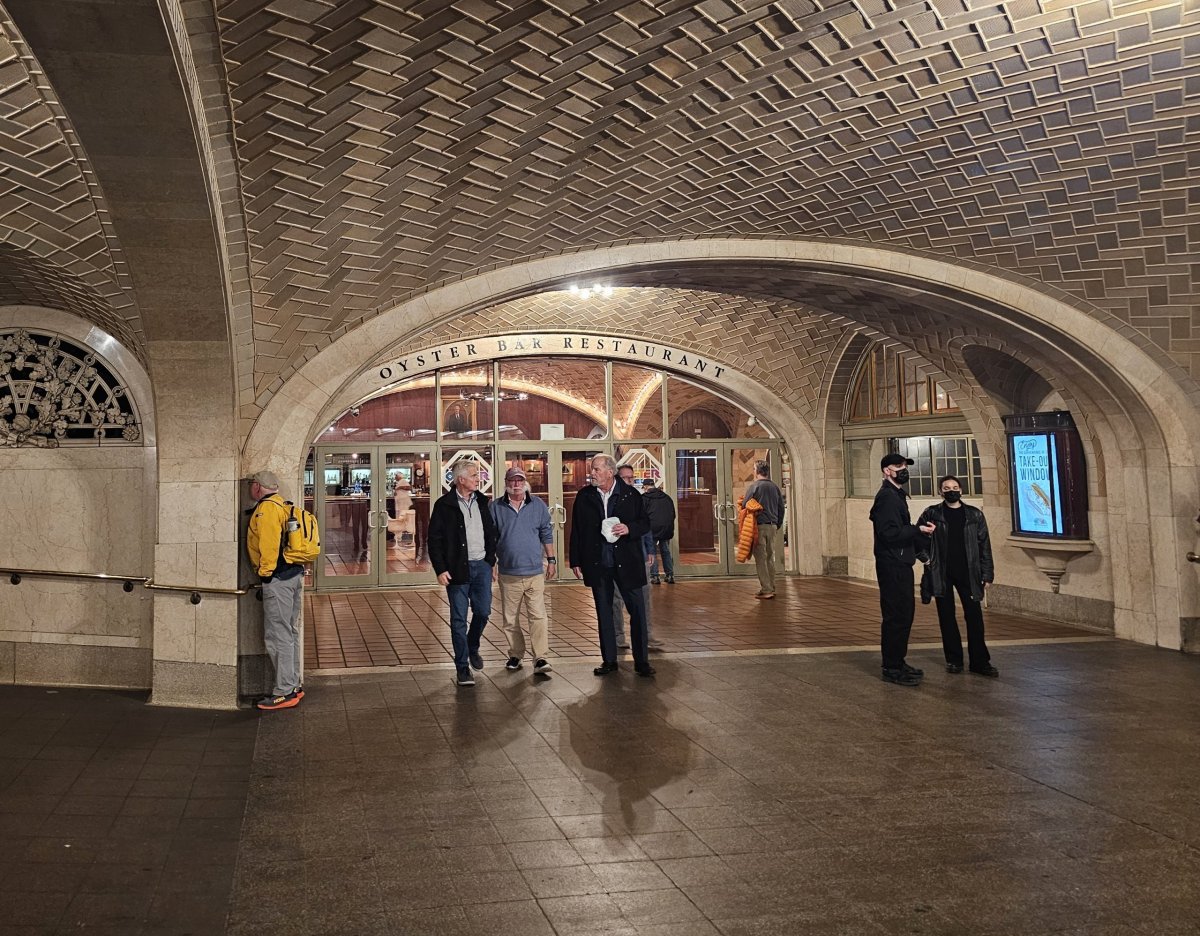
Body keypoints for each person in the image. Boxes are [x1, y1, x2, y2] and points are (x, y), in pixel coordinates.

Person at [570, 454, 654, 677]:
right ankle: (609, 660)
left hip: (628, 562)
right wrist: (576, 560)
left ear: (610, 472)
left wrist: (629, 528)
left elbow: (645, 523)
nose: (592, 473)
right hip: (599, 563)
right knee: (604, 613)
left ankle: (642, 662)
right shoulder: (585, 496)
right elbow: (577, 529)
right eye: (592, 470)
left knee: (637, 612)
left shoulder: (630, 494)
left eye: (596, 469)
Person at [917, 475, 999, 677]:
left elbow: (984, 545)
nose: (951, 490)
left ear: (961, 491)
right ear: (940, 491)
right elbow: (917, 538)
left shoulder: (974, 515)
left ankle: (980, 661)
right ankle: (954, 660)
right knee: (946, 617)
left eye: (954, 487)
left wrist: (987, 573)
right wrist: (928, 560)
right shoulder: (932, 513)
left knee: (974, 617)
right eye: (946, 488)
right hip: (942, 572)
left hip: (969, 572)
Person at [428, 460, 498, 687]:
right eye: (474, 475)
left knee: (483, 611)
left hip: (482, 567)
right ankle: (462, 668)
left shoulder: (482, 502)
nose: (478, 478)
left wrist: (490, 561)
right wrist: (440, 569)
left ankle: (473, 645)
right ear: (460, 480)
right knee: (458, 620)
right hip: (457, 569)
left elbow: (491, 533)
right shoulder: (444, 505)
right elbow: (434, 540)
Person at [870, 453, 935, 686]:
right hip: (892, 564)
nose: (903, 469)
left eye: (905, 465)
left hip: (900, 562)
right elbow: (889, 533)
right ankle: (892, 666)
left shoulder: (897, 495)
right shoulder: (887, 497)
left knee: (904, 614)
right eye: (898, 466)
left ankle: (898, 660)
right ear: (887, 471)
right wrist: (917, 530)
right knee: (897, 615)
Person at [246, 470, 305, 711]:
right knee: (288, 632)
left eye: (252, 484)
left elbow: (269, 542)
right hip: (291, 575)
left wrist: (266, 573)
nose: (251, 488)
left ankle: (283, 692)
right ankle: (293, 685)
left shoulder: (267, 508)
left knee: (277, 635)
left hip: (278, 578)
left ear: (258, 487)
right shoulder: (282, 504)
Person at [492, 466, 556, 675]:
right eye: (512, 481)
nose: (516, 484)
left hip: (534, 572)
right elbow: (491, 538)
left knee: (538, 616)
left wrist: (551, 559)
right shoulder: (496, 507)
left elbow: (546, 532)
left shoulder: (537, 505)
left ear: (525, 482)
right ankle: (516, 654)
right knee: (510, 619)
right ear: (506, 483)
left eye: (520, 480)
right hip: (508, 572)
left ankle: (540, 658)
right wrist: (492, 563)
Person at [612, 465, 662, 651]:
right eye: (625, 478)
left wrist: (650, 550)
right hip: (618, 557)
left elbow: (645, 526)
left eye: (631, 478)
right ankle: (618, 636)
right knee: (616, 599)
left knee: (644, 597)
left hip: (638, 555)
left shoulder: (637, 499)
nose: (629, 482)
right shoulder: (612, 500)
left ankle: (647, 635)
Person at [744, 460, 784, 599]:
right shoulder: (774, 487)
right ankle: (771, 586)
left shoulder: (755, 486)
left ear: (757, 471)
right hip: (772, 525)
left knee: (760, 558)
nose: (753, 471)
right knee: (769, 557)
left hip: (759, 526)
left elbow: (745, 504)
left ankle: (766, 589)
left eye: (754, 468)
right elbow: (781, 507)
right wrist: (777, 524)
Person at [641, 477, 676, 584]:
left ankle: (655, 576)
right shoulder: (666, 497)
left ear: (646, 487)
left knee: (651, 552)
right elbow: (673, 513)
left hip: (651, 528)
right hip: (666, 527)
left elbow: (641, 515)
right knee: (665, 551)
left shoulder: (644, 498)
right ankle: (669, 575)